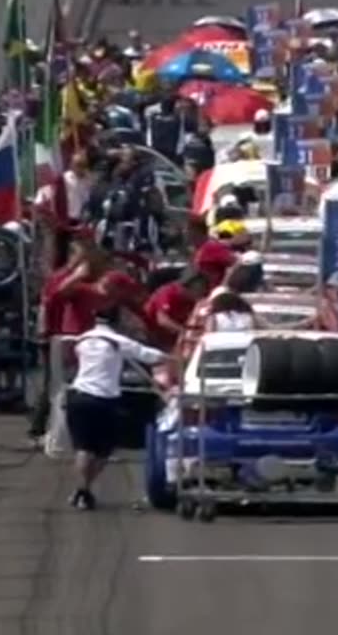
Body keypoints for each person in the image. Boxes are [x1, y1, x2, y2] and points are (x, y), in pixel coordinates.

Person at [66, 307, 169, 510]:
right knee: (104, 450)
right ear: (116, 322)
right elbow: (147, 355)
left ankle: (82, 490)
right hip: (104, 399)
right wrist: (173, 358)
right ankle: (84, 489)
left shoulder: (81, 340)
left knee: (83, 448)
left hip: (78, 396)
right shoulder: (118, 341)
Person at [143, 270, 209, 351]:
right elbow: (163, 321)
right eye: (198, 289)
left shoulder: (190, 299)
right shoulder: (169, 294)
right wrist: (184, 332)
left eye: (203, 288)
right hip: (152, 336)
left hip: (171, 336)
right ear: (185, 287)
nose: (201, 292)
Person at [188, 215, 237, 289]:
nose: (186, 234)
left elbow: (236, 262)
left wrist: (224, 285)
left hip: (213, 292)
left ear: (195, 231)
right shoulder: (197, 250)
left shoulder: (212, 247)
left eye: (188, 231)